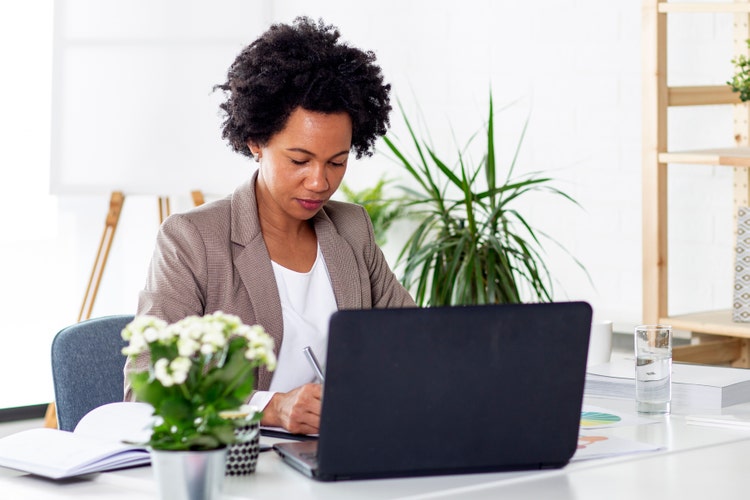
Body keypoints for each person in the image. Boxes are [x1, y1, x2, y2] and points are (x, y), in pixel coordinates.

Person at [123, 17, 415, 435]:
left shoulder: (352, 228)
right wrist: (270, 408)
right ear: (256, 141)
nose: (320, 181)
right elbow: (145, 389)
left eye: (337, 162)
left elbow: (415, 346)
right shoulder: (192, 239)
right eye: (299, 160)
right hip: (242, 465)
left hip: (344, 452)